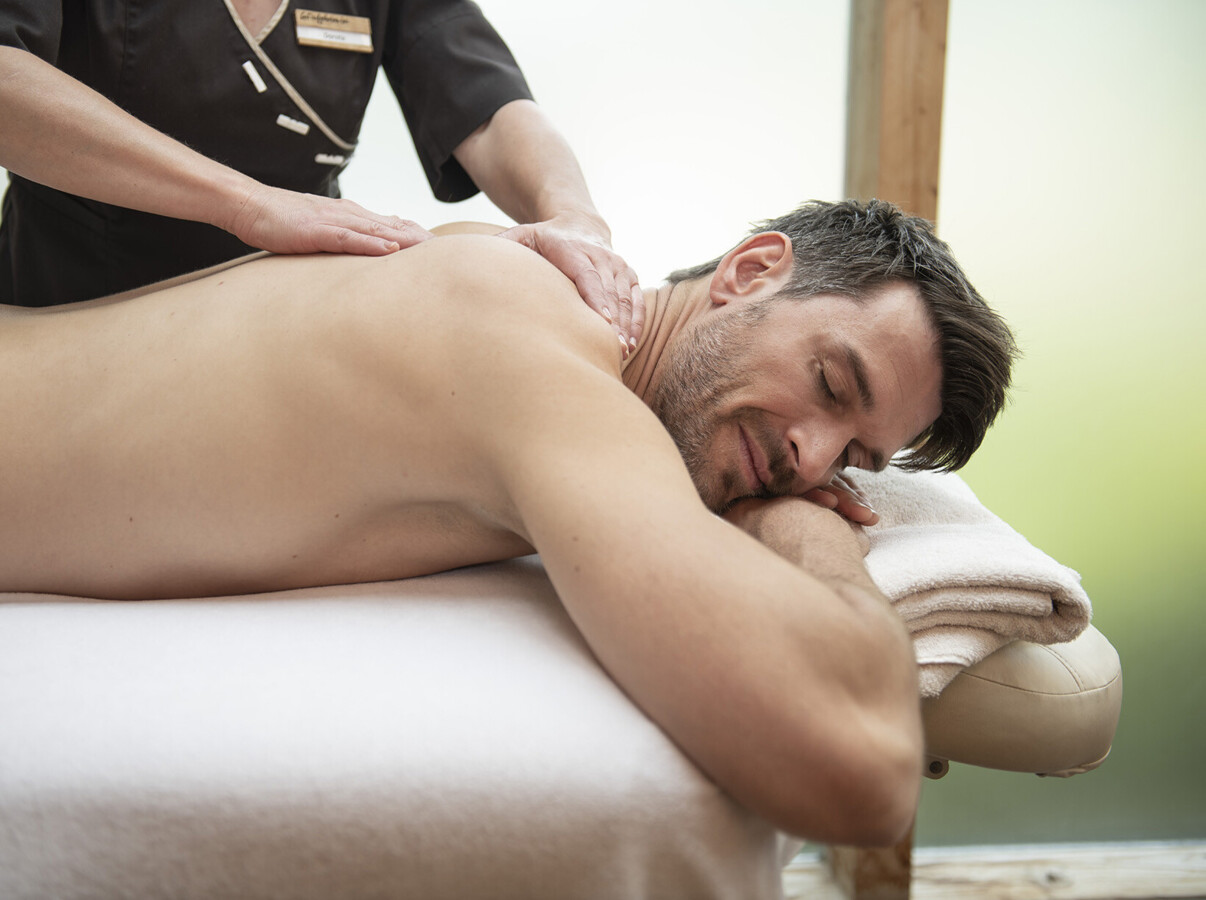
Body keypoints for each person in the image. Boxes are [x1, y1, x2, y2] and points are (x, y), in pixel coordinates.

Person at [0, 199, 1015, 846]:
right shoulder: (535, 347)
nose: (811, 459)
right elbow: (861, 772)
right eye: (831, 383)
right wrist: (816, 536)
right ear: (751, 272)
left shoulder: (516, 292)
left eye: (856, 462)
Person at [0, 0, 641, 349]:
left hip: (276, 343)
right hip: (71, 326)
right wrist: (248, 204)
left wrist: (575, 215)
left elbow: (489, 107)